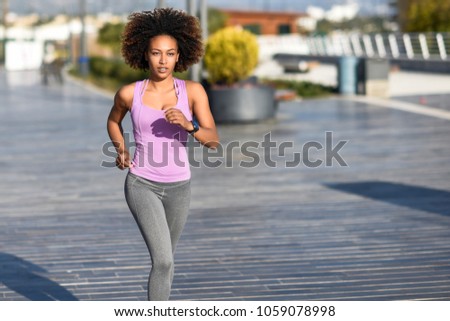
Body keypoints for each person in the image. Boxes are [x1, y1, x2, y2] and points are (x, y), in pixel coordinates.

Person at [107, 8, 219, 301]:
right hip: (142, 183)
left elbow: (213, 141)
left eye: (170, 54)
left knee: (167, 261)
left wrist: (189, 124)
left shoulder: (193, 92)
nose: (163, 60)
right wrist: (121, 148)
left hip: (180, 187)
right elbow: (113, 121)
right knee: (164, 260)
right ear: (145, 54)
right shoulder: (130, 93)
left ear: (179, 56)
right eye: (156, 53)